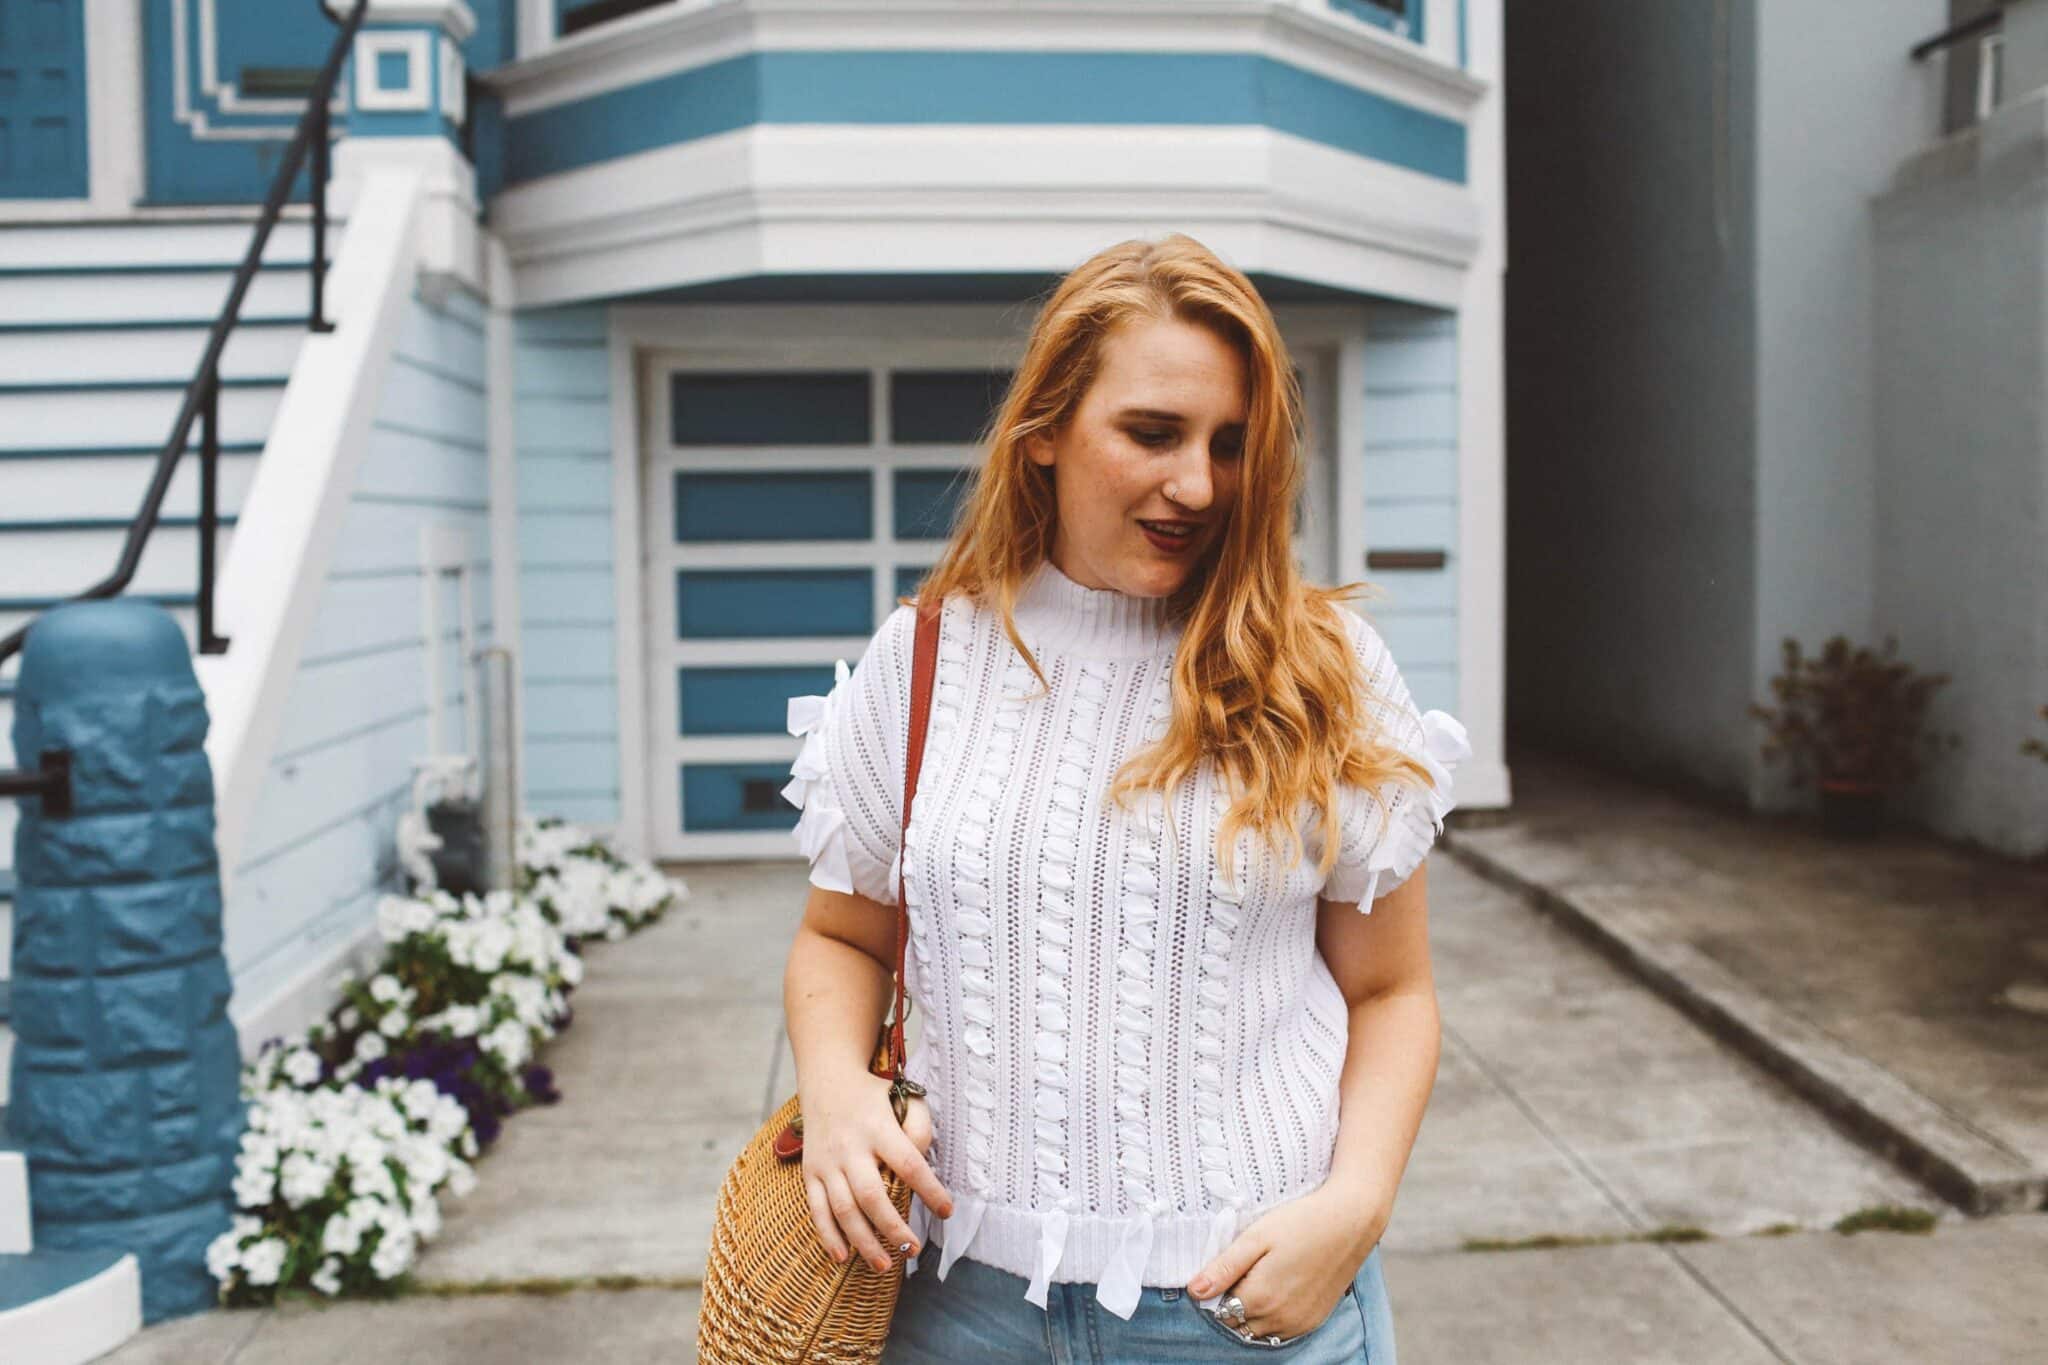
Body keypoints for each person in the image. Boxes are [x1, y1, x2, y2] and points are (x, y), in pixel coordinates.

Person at [779, 233, 1469, 1363]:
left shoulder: (1322, 670)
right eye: (1151, 433)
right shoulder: (925, 659)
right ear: (1042, 433)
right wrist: (836, 1095)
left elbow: (1391, 989)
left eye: (1230, 445)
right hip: (952, 1309)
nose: (1196, 485)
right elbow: (840, 939)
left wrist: (1356, 1204)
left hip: (1241, 1308)